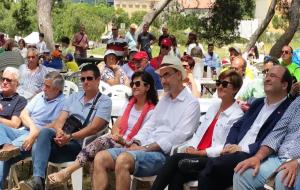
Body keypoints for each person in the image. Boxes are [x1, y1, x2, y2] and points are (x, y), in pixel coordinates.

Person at [92, 55, 201, 190]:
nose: (162, 80)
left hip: (165, 155)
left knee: (123, 160)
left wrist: (146, 148)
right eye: (161, 77)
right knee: (100, 157)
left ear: (179, 75)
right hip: (145, 148)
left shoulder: (191, 104)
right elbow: (149, 125)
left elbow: (179, 136)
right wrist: (136, 142)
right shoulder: (165, 100)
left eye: (166, 75)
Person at [48, 71, 158, 185]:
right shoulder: (129, 104)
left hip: (133, 146)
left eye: (138, 84)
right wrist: (116, 136)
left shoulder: (152, 111)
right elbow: (116, 125)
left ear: (147, 87)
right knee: (98, 149)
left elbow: (144, 136)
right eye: (132, 84)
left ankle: (68, 171)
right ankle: (71, 173)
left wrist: (124, 141)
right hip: (118, 140)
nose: (134, 87)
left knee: (100, 143)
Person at [195, 65, 293, 190]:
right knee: (197, 174)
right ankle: (199, 164)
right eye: (267, 75)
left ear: (284, 85)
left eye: (272, 76)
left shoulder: (289, 109)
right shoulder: (258, 103)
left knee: (210, 169)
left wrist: (241, 148)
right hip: (233, 152)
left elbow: (274, 138)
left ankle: (198, 164)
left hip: (253, 154)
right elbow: (237, 126)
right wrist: (229, 144)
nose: (267, 78)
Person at [19, 64, 112, 190]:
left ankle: (37, 182)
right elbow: (59, 121)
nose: (85, 82)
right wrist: (59, 132)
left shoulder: (105, 101)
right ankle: (38, 180)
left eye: (89, 78)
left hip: (80, 146)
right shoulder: (74, 97)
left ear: (98, 79)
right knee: (45, 132)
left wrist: (70, 137)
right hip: (62, 139)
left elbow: (94, 128)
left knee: (36, 146)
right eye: (83, 79)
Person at [151, 70, 244, 190]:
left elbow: (226, 146)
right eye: (218, 82)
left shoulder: (237, 115)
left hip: (212, 158)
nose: (220, 86)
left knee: (174, 159)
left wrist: (200, 153)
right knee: (176, 175)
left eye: (225, 84)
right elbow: (199, 133)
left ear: (235, 89)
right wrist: (192, 147)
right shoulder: (213, 107)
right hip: (197, 154)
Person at [0, 71, 65, 190]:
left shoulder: (64, 103)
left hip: (39, 139)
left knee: (3, 156)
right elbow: (24, 114)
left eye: (47, 86)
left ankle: (8, 149)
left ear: (57, 89)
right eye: (43, 85)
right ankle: (7, 145)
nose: (43, 88)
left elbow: (55, 125)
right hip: (25, 130)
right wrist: (33, 128)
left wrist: (35, 133)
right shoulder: (40, 96)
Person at [233, 96, 300, 190]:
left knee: (284, 179)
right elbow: (278, 131)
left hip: (297, 161)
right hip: (281, 158)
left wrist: (297, 162)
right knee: (242, 174)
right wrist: (257, 157)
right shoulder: (297, 101)